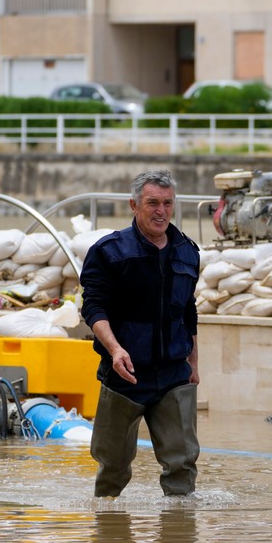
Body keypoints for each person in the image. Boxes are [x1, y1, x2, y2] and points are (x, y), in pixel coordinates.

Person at [79, 169, 201, 497]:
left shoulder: (187, 251)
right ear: (134, 205)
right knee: (113, 466)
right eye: (152, 203)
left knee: (182, 462)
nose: (161, 211)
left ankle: (178, 525)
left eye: (167, 203)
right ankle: (108, 522)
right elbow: (93, 308)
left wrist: (193, 363)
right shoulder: (109, 252)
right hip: (125, 374)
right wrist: (115, 349)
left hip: (173, 373)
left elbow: (188, 312)